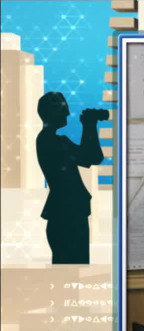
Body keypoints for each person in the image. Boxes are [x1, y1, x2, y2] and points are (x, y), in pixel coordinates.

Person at [36, 92, 105, 264]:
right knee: (73, 266)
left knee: (71, 267)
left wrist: (89, 125)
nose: (67, 113)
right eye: (62, 109)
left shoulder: (47, 140)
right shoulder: (53, 141)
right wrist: (89, 125)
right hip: (68, 215)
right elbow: (92, 156)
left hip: (67, 212)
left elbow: (90, 157)